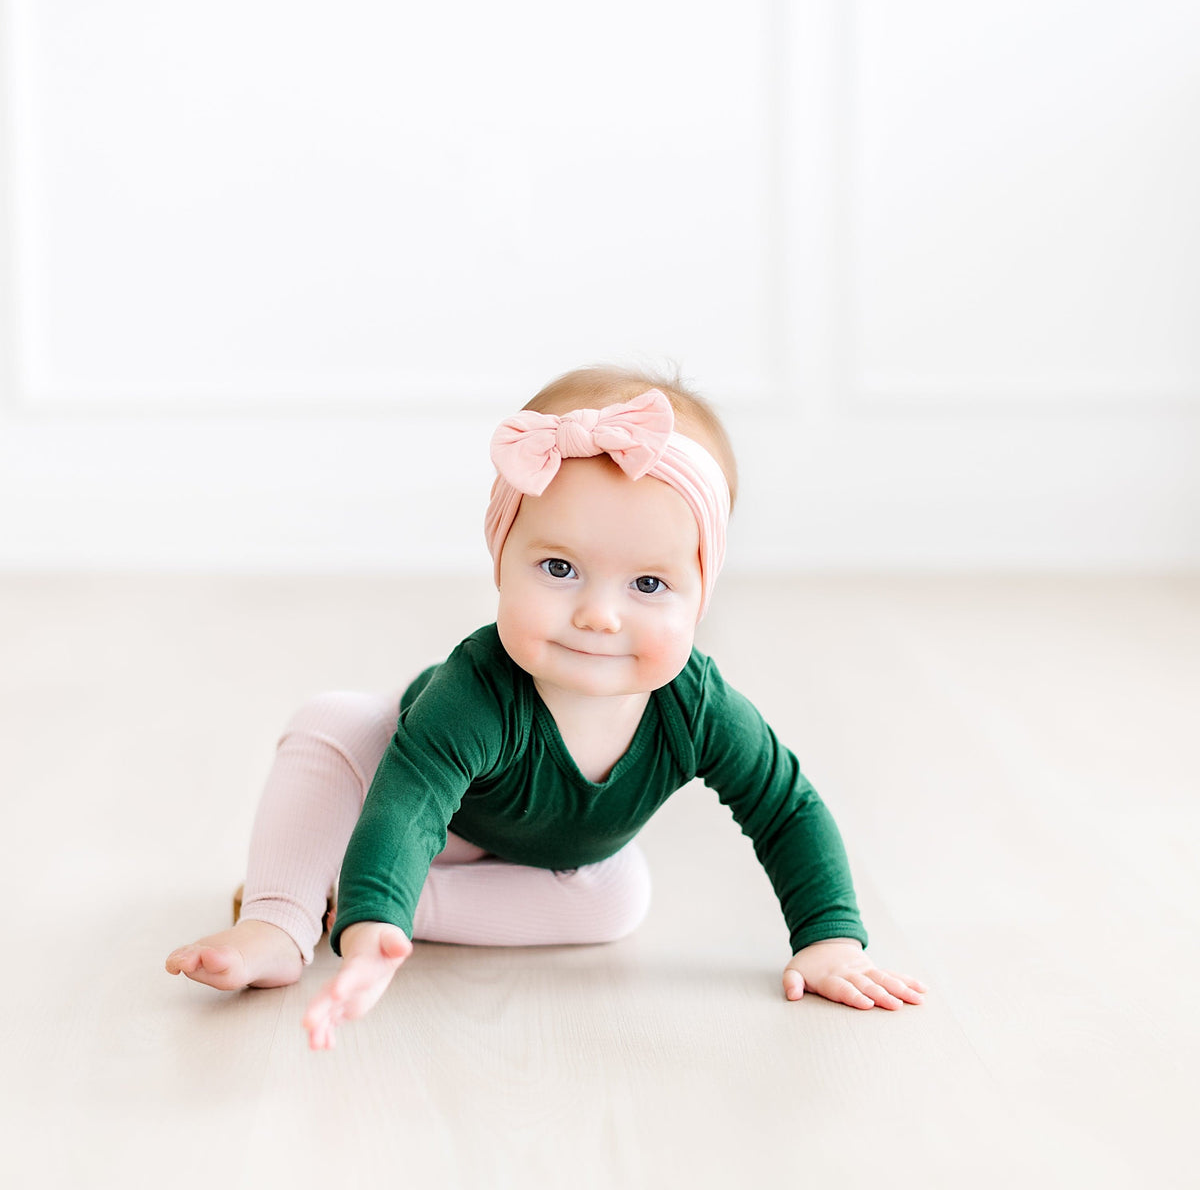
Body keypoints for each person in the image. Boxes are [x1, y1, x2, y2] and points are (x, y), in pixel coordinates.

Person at [166, 366, 927, 1049]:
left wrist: (830, 938)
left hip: (533, 859)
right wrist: (371, 930)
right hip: (395, 798)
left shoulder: (696, 706)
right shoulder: (479, 687)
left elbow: (785, 807)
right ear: (500, 559)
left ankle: (396, 909)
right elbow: (409, 806)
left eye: (649, 585)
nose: (600, 615)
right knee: (335, 722)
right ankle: (280, 919)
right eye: (559, 568)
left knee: (618, 897)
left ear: (701, 594)